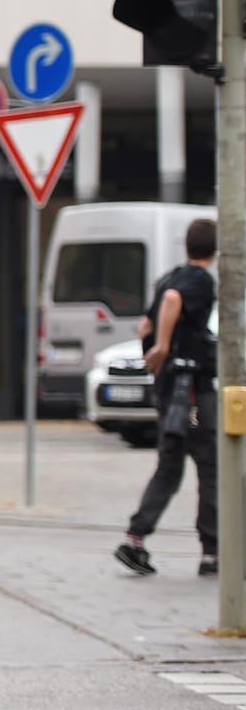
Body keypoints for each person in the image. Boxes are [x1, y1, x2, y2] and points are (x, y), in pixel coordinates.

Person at [115, 218, 218, 578]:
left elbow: (144, 325)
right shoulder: (198, 281)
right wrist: (163, 346)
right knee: (210, 464)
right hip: (190, 395)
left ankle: (136, 538)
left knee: (169, 467)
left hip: (170, 392)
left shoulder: (168, 278)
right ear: (214, 249)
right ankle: (213, 552)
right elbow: (173, 303)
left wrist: (156, 355)